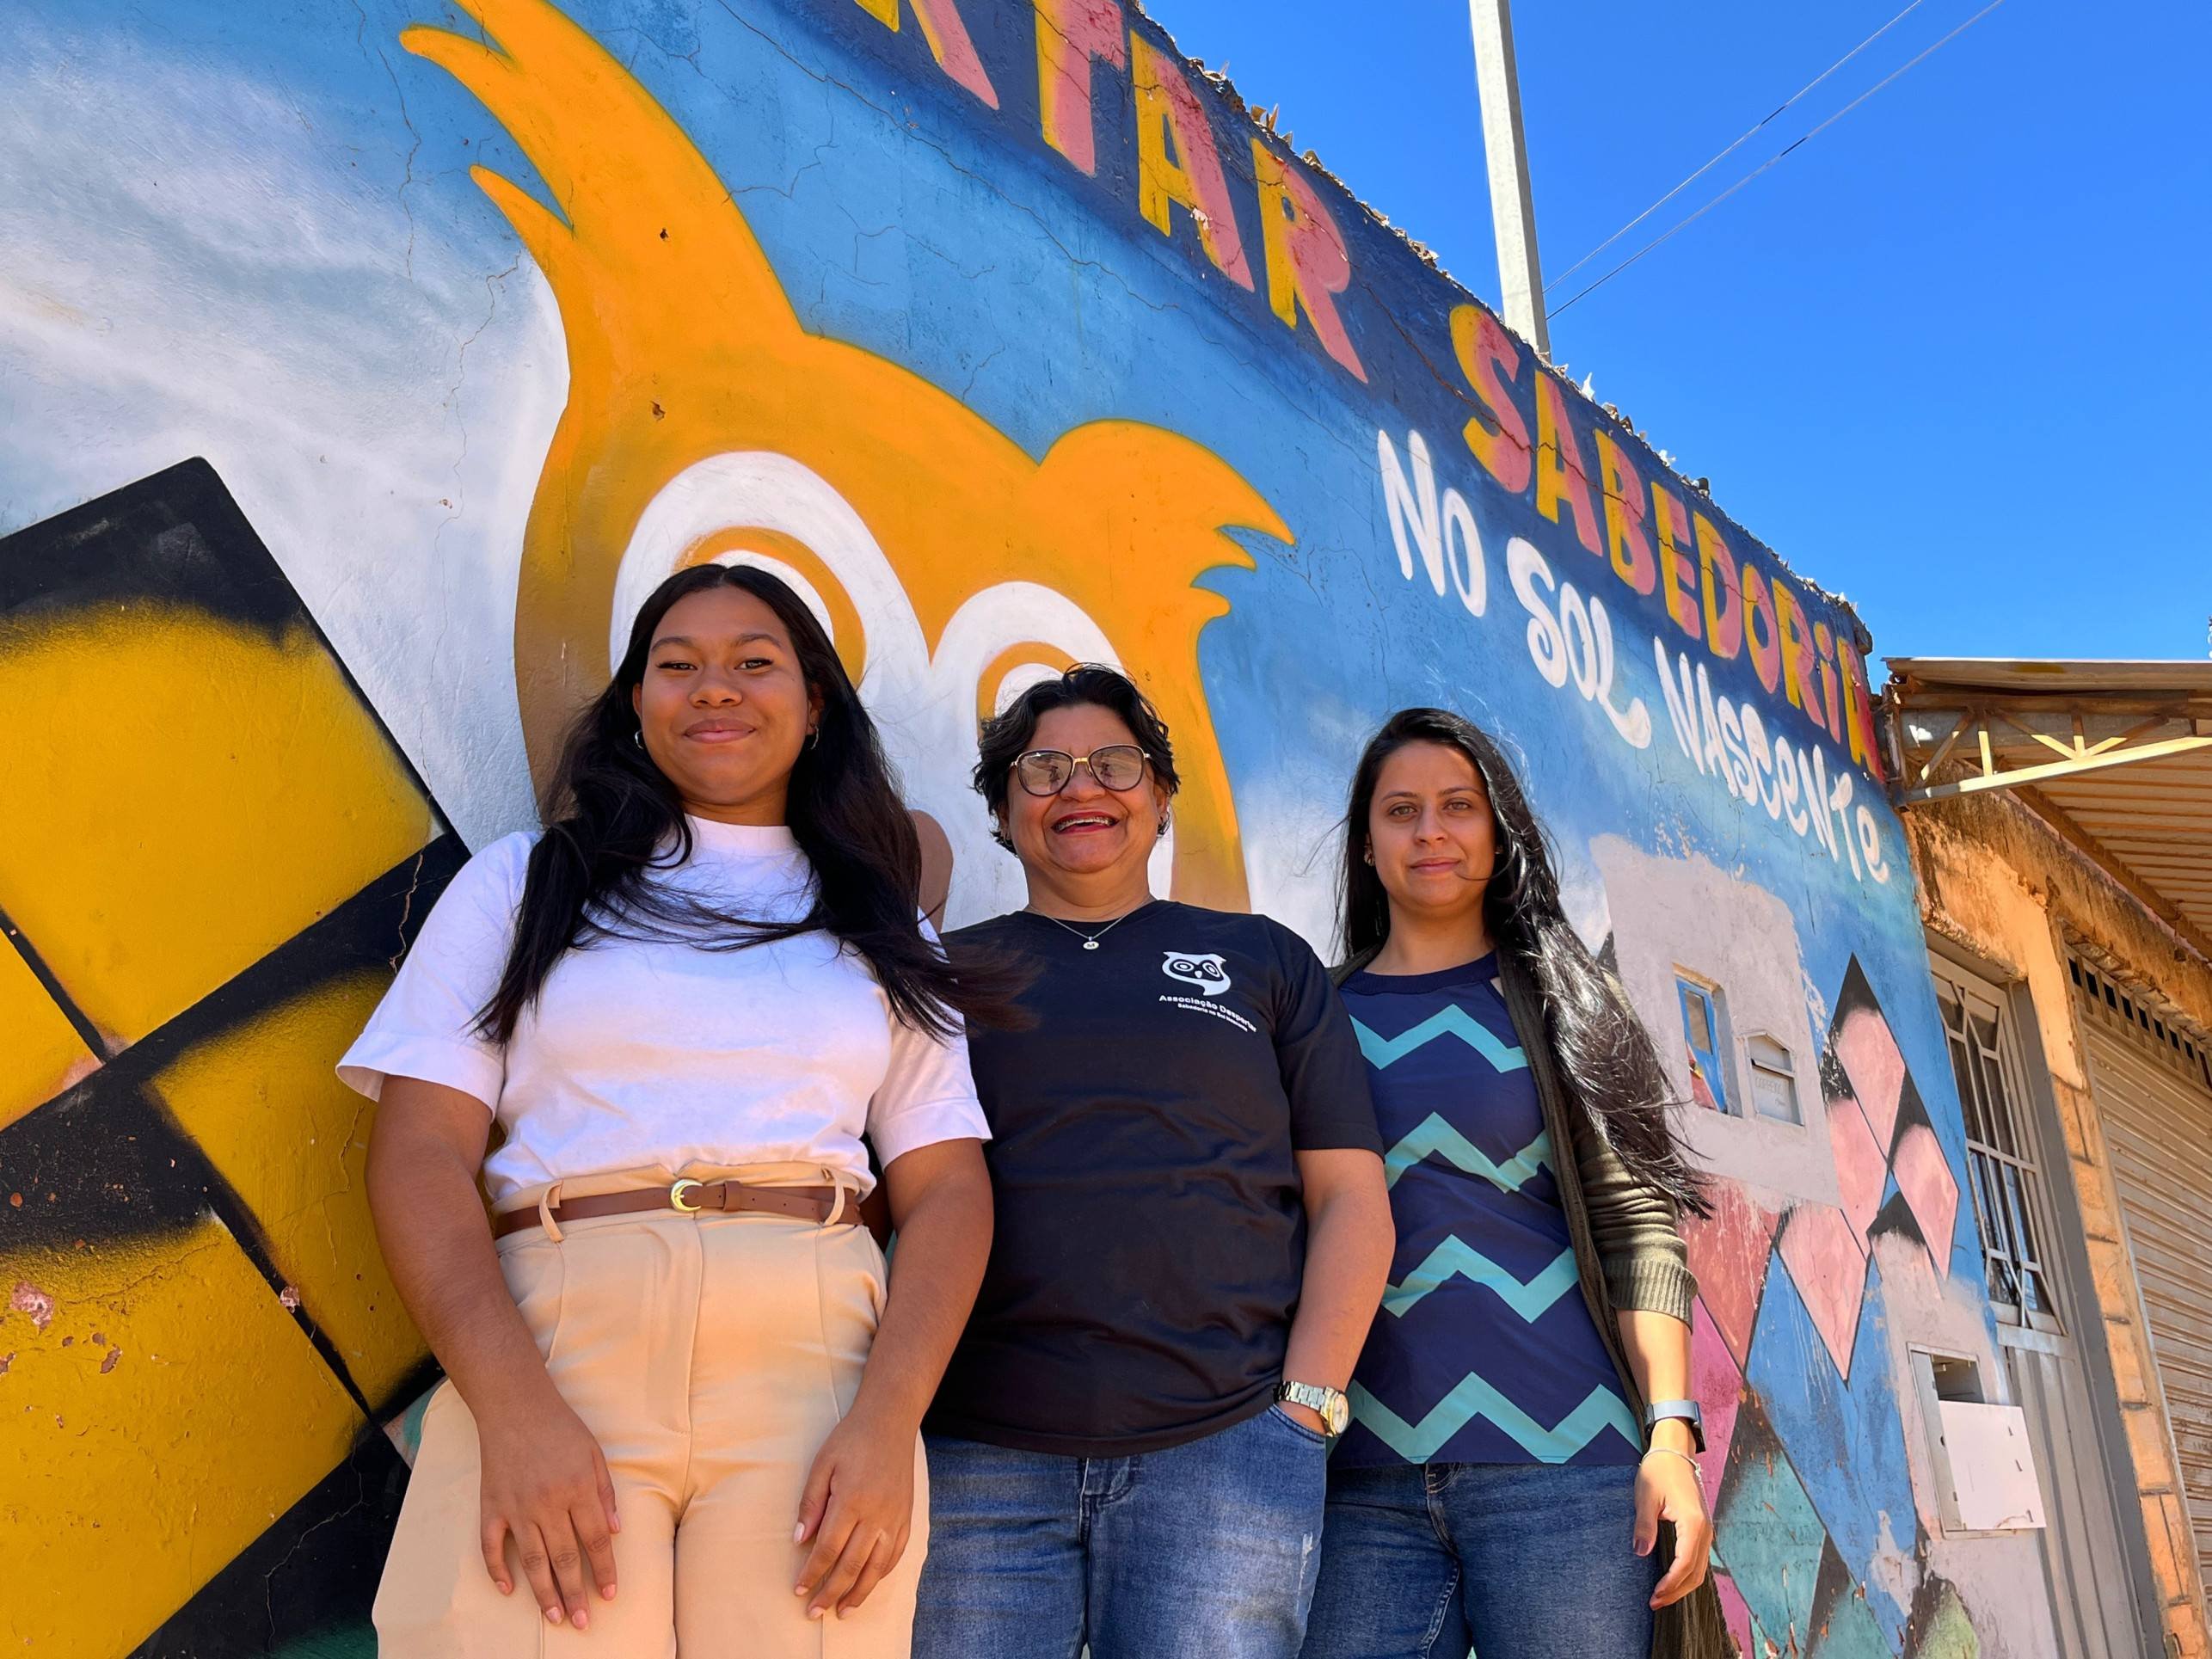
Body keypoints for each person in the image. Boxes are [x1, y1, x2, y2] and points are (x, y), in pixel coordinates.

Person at [341, 562, 1001, 1656]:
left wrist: (889, 1423)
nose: (715, 688)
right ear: (636, 705)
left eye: (755, 662)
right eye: (676, 664)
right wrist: (510, 1407)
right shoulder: (526, 883)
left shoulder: (881, 926)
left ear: (815, 705)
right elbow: (418, 1155)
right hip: (553, 1347)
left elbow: (948, 1192)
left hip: (816, 1375)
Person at [910, 665, 1396, 1659]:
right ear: (1003, 811)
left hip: (1225, 1455)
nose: (1080, 789)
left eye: (1113, 764)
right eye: (1042, 770)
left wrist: (1303, 1411)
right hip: (975, 1460)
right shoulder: (943, 972)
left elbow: (1350, 1196)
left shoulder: (1262, 959)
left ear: (1160, 794)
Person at [1298, 706, 1726, 1659]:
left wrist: (1670, 1437)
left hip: (1567, 1474)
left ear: (1499, 833)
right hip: (1357, 1479)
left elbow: (1638, 1229)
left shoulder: (1564, 1003)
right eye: (1399, 811)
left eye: (1457, 806)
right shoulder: (1313, 1014)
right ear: (1366, 845)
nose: (1430, 831)